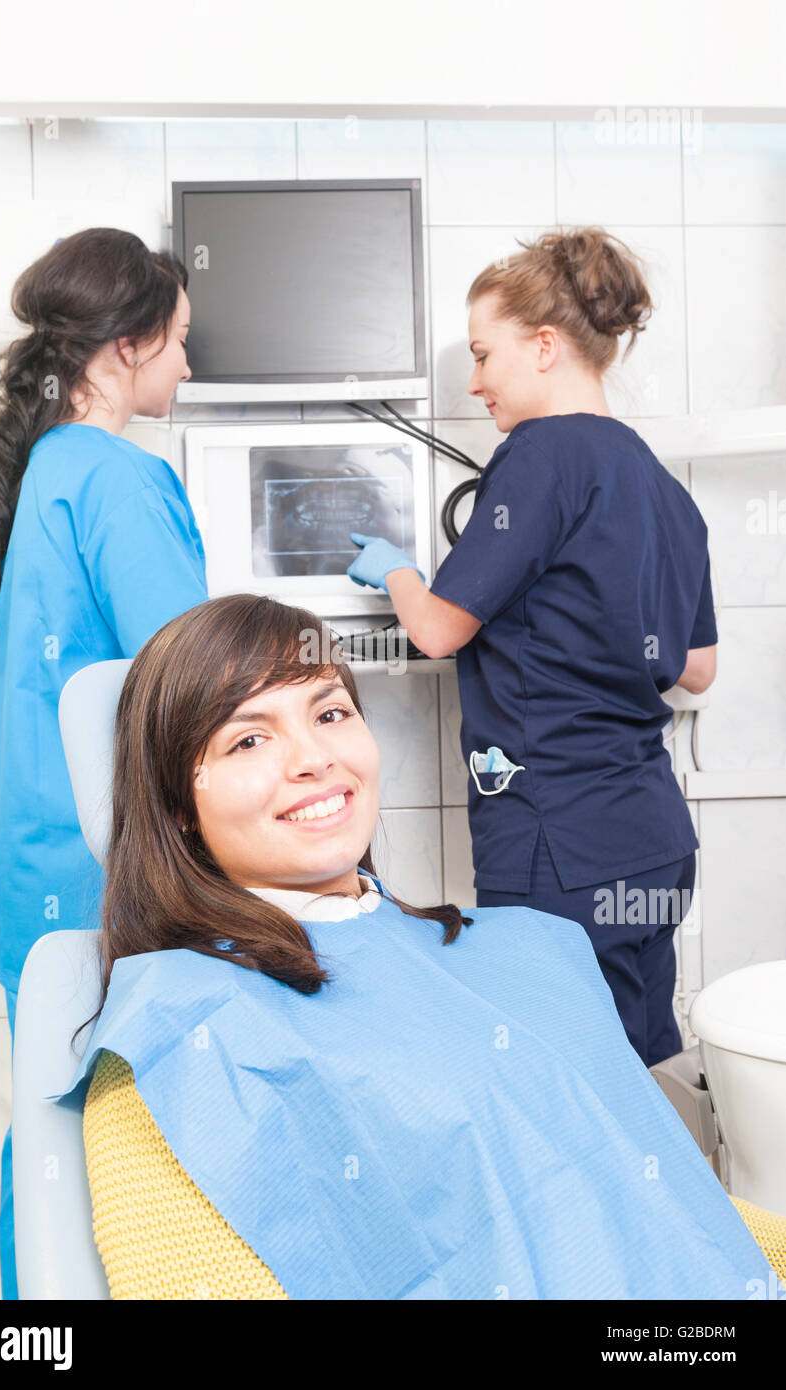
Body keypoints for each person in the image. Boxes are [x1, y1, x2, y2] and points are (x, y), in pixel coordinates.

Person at [55, 594, 772, 1300]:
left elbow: (643, 1195)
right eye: (248, 739)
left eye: (330, 713)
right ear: (179, 804)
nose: (314, 758)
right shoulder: (179, 1028)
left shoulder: (531, 947)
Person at [347, 227, 716, 1072]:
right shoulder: (660, 484)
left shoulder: (540, 456)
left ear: (544, 345)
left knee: (555, 1080)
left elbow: (437, 628)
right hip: (651, 838)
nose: (474, 382)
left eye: (483, 356)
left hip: (560, 839)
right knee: (641, 1069)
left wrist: (399, 572)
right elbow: (695, 667)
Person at [0, 227, 209, 1299]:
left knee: (49, 1130)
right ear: (121, 351)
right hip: (119, 880)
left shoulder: (3, 491)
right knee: (133, 1137)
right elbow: (199, 687)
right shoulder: (115, 478)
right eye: (180, 341)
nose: (189, 365)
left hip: (28, 878)